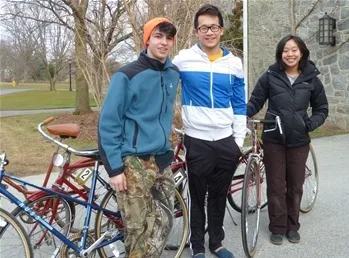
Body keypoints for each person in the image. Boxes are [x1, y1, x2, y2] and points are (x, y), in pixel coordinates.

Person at [98, 18, 179, 258]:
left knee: (165, 219)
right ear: (147, 39)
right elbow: (108, 122)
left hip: (161, 158)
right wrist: (114, 168)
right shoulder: (128, 75)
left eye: (168, 38)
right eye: (158, 36)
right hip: (134, 162)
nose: (164, 42)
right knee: (137, 229)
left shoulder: (173, 73)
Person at [173, 4, 246, 258]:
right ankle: (197, 247)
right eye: (203, 27)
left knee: (218, 195)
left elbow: (239, 104)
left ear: (221, 30)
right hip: (197, 140)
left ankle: (217, 242)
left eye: (213, 27)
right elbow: (160, 77)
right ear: (196, 31)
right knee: (196, 196)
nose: (209, 32)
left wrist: (238, 140)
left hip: (226, 141)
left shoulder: (234, 63)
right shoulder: (183, 59)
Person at [247, 35, 328, 245]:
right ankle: (277, 227)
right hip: (274, 138)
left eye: (293, 50)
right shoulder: (270, 76)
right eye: (285, 50)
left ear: (301, 52)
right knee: (275, 185)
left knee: (295, 186)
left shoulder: (311, 79)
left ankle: (293, 226)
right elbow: (256, 101)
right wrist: (241, 114)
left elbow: (322, 109)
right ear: (280, 54)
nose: (289, 54)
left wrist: (308, 124)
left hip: (299, 141)